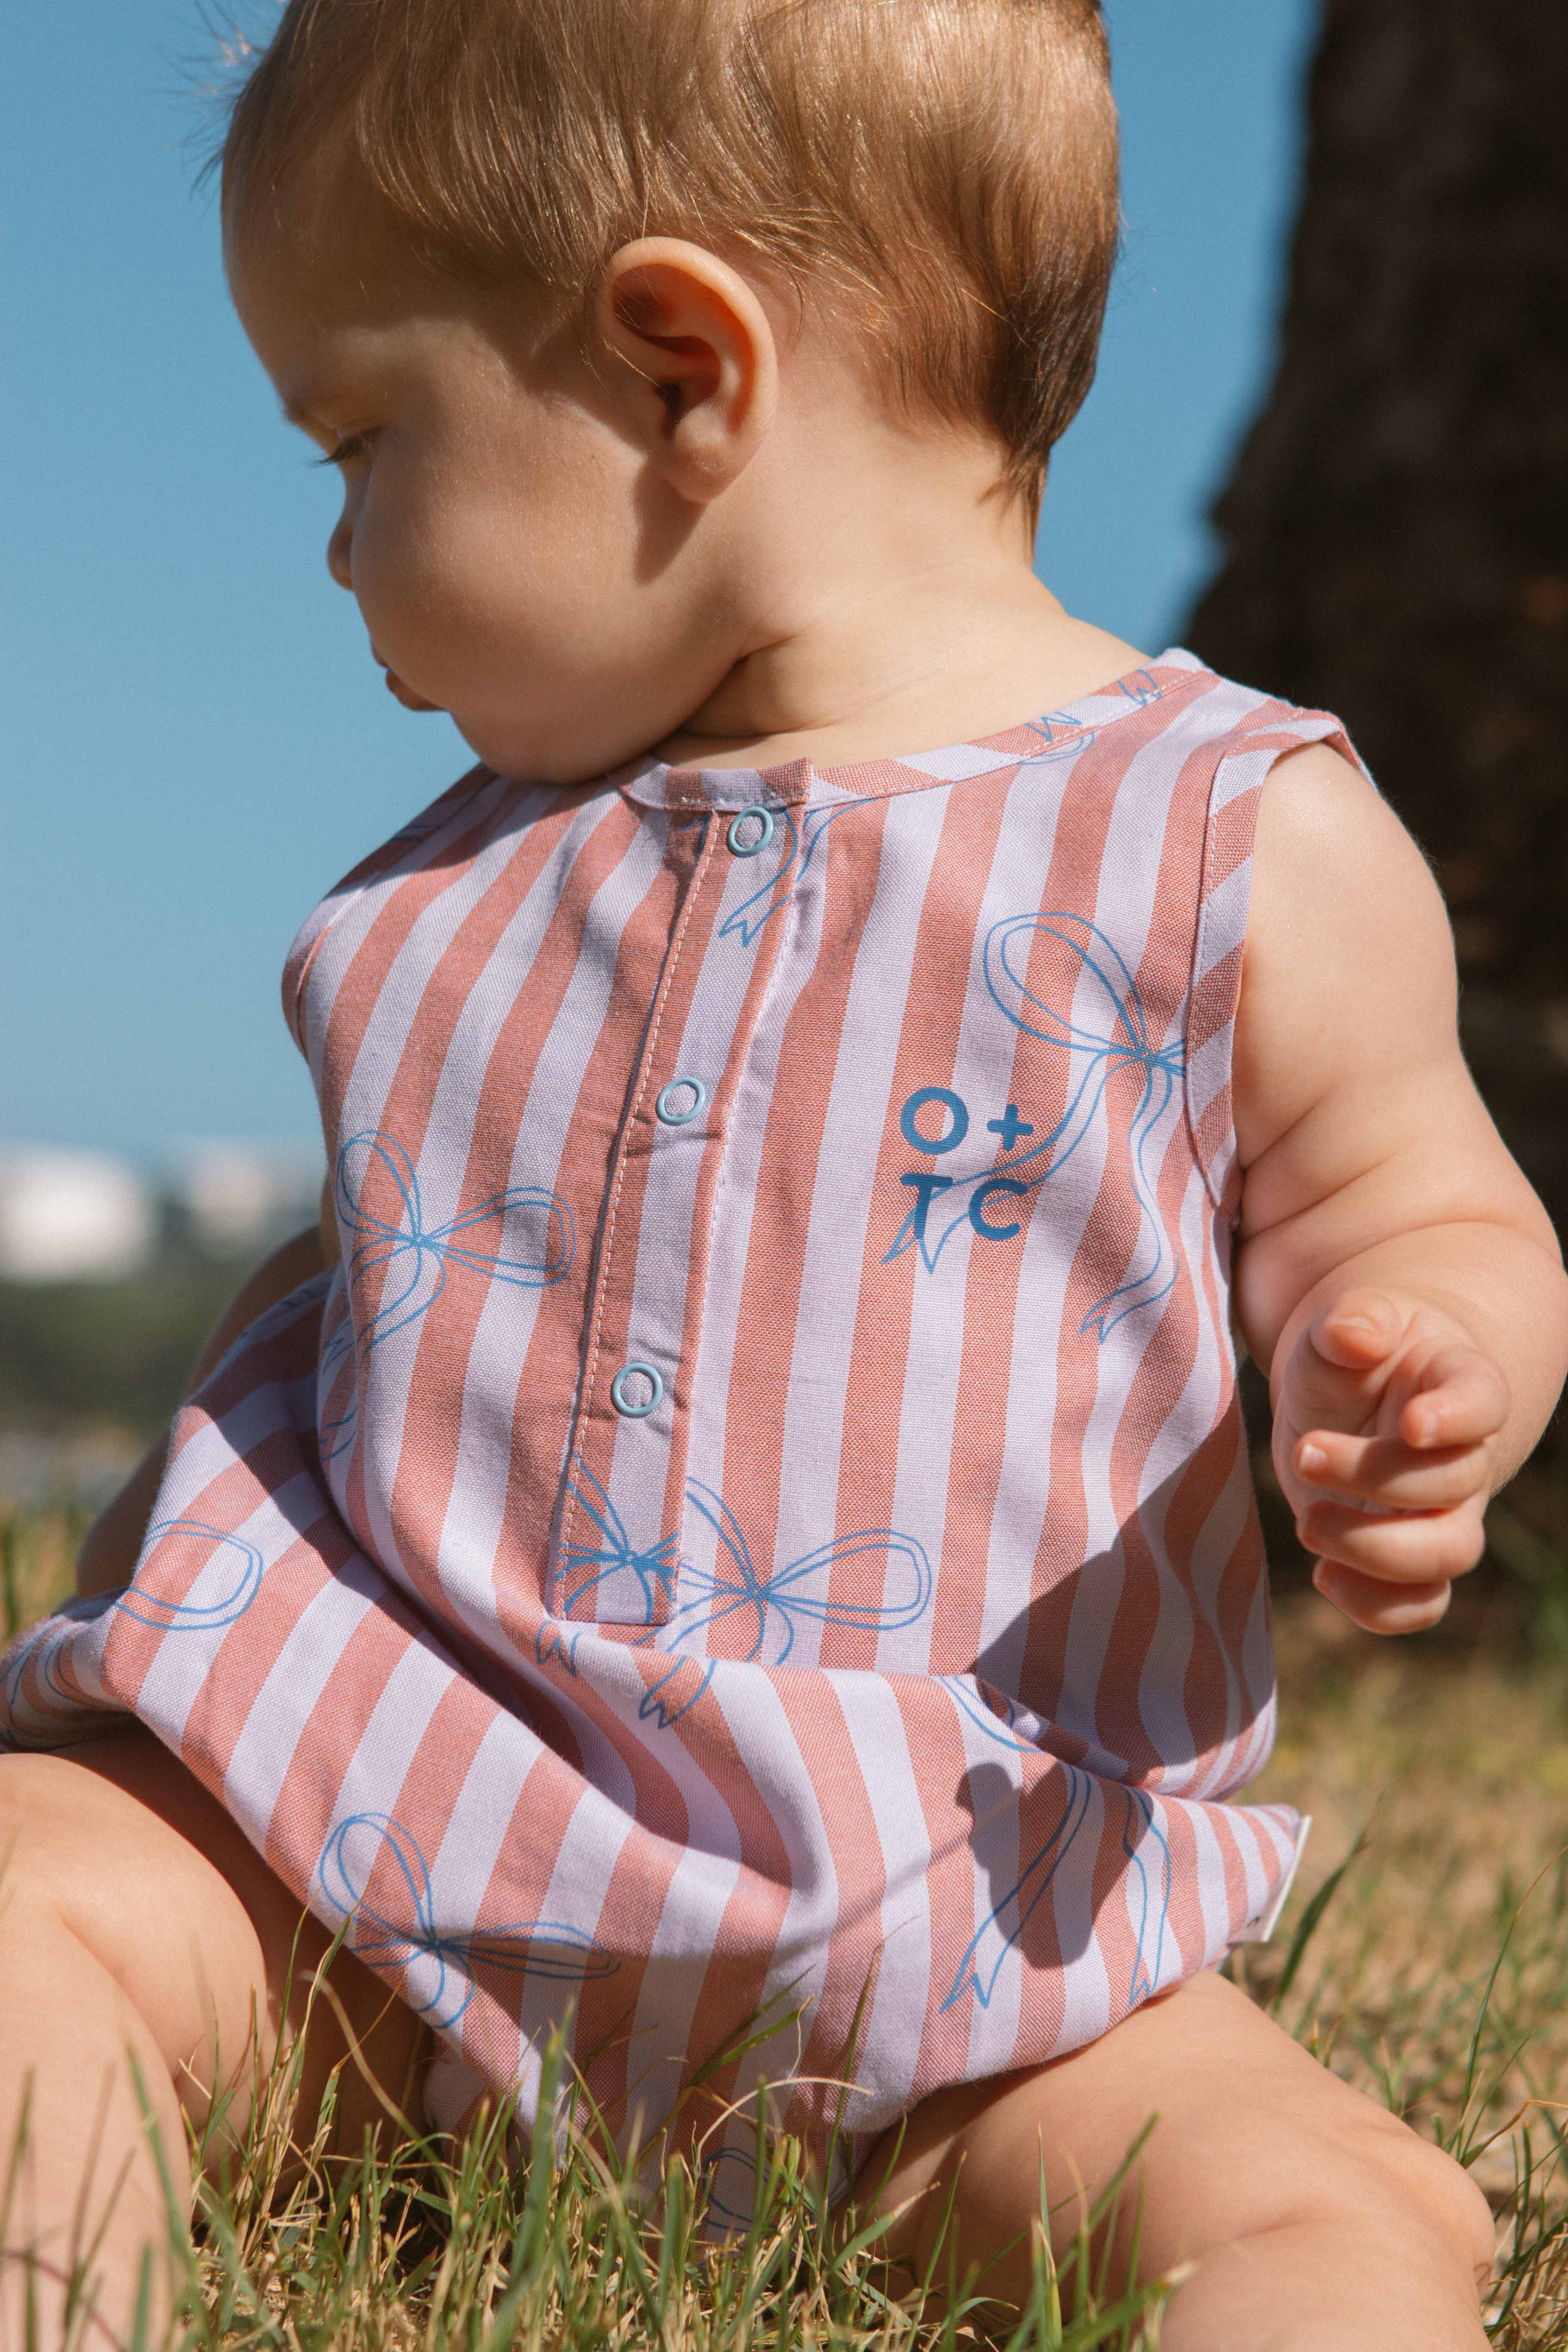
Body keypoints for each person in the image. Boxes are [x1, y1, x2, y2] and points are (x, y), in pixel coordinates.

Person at [3, 2, 1562, 2344]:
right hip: (354, 1840)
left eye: (366, 439)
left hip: (950, 1925)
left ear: (673, 372)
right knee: (29, 1916)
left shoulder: (1230, 835)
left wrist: (1428, 1356)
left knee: (1331, 2225)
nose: (336, 551)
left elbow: (1414, 1203)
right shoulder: (467, 875)